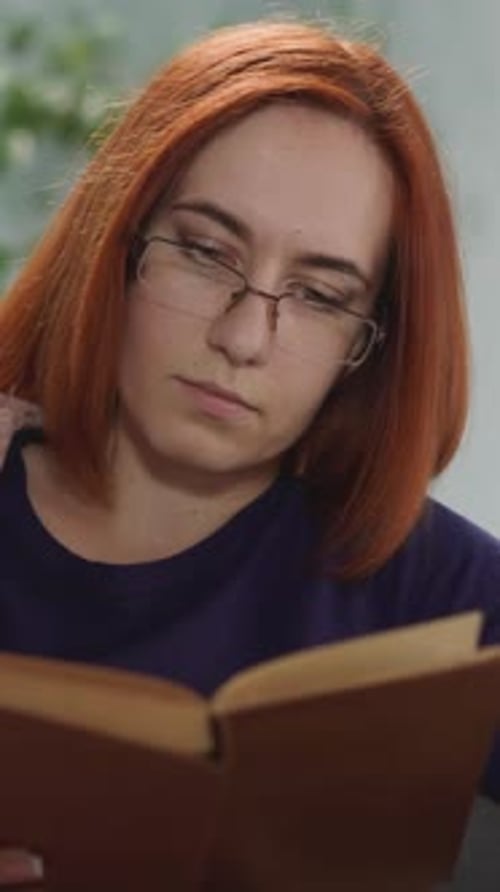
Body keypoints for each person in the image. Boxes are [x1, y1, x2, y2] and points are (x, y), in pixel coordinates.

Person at [0, 16, 499, 886]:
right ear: (115, 246)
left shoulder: (456, 599)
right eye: (203, 251)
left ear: (370, 343)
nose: (243, 337)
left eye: (316, 294)